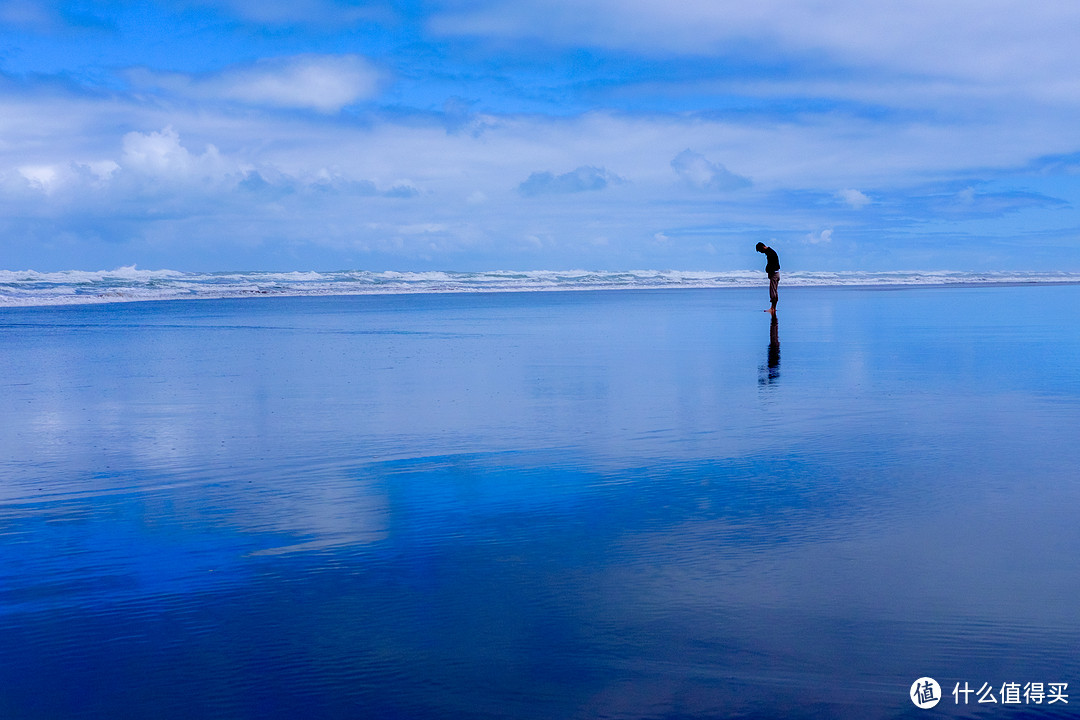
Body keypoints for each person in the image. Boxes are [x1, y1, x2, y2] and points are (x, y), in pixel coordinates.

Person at [755, 242, 780, 314]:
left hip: (774, 274)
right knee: (774, 291)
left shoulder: (770, 253)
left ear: (762, 247)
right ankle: (773, 308)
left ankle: (773, 308)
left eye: (760, 251)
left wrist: (769, 271)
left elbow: (772, 265)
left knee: (773, 292)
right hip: (775, 273)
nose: (761, 252)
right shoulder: (770, 252)